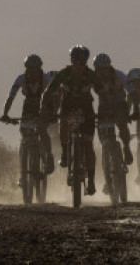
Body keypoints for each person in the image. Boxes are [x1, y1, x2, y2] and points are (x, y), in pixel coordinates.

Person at [41, 45, 100, 195]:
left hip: (87, 109)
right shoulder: (63, 74)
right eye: (76, 62)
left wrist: (108, 107)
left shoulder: (91, 75)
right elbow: (48, 91)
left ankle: (91, 181)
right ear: (72, 61)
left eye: (82, 62)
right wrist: (43, 109)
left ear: (86, 62)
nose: (79, 66)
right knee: (64, 125)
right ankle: (65, 153)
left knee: (88, 144)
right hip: (67, 106)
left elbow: (102, 91)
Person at [0, 54, 56, 177]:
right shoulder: (21, 79)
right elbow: (11, 97)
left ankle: (49, 155)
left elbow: (53, 96)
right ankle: (23, 173)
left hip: (44, 106)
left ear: (39, 69)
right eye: (29, 69)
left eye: (35, 69)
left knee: (41, 130)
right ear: (26, 68)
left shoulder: (46, 78)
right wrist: (5, 113)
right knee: (24, 133)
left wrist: (53, 113)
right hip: (29, 106)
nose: (32, 72)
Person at [91, 52, 133, 166]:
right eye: (98, 69)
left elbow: (132, 92)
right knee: (102, 131)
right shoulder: (93, 78)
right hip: (104, 105)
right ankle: (106, 154)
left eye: (104, 69)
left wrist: (134, 111)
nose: (101, 72)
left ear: (109, 67)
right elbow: (83, 94)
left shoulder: (119, 75)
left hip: (119, 103)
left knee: (122, 124)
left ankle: (126, 147)